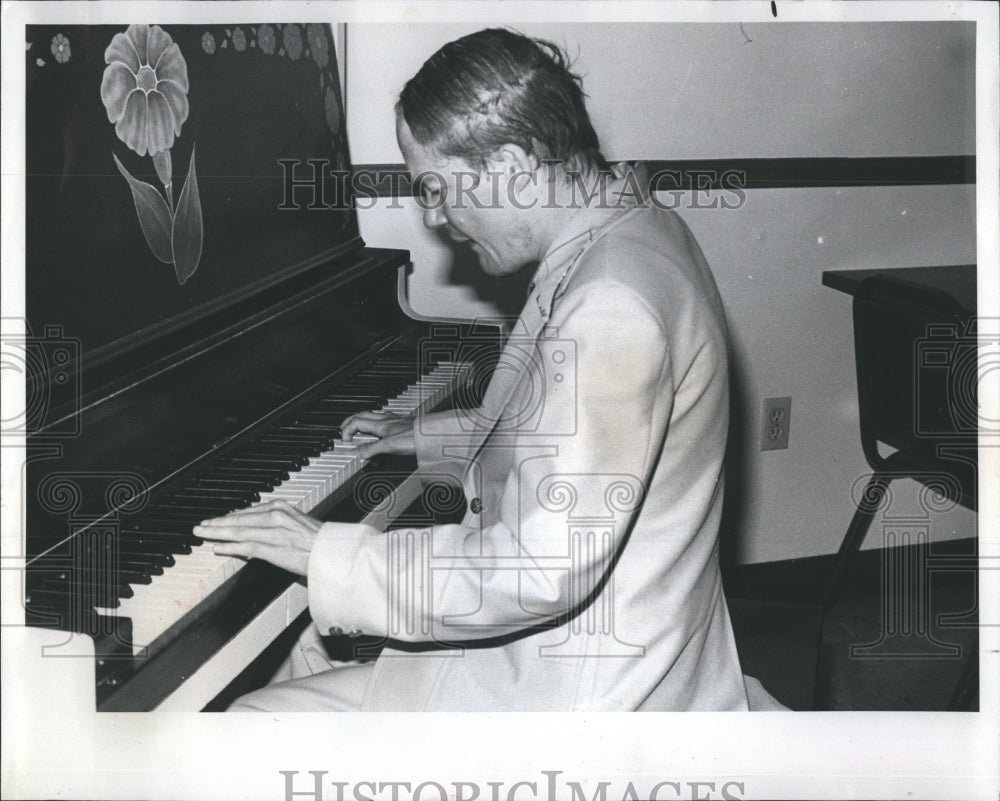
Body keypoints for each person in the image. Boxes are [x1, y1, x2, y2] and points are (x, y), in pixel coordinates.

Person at [198, 28, 776, 711]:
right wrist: (431, 437)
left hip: (582, 698)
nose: (436, 218)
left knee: (249, 719)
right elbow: (575, 435)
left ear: (510, 165)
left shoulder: (608, 306)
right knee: (305, 642)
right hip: (616, 645)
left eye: (438, 189)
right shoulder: (630, 228)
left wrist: (328, 552)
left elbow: (536, 568)